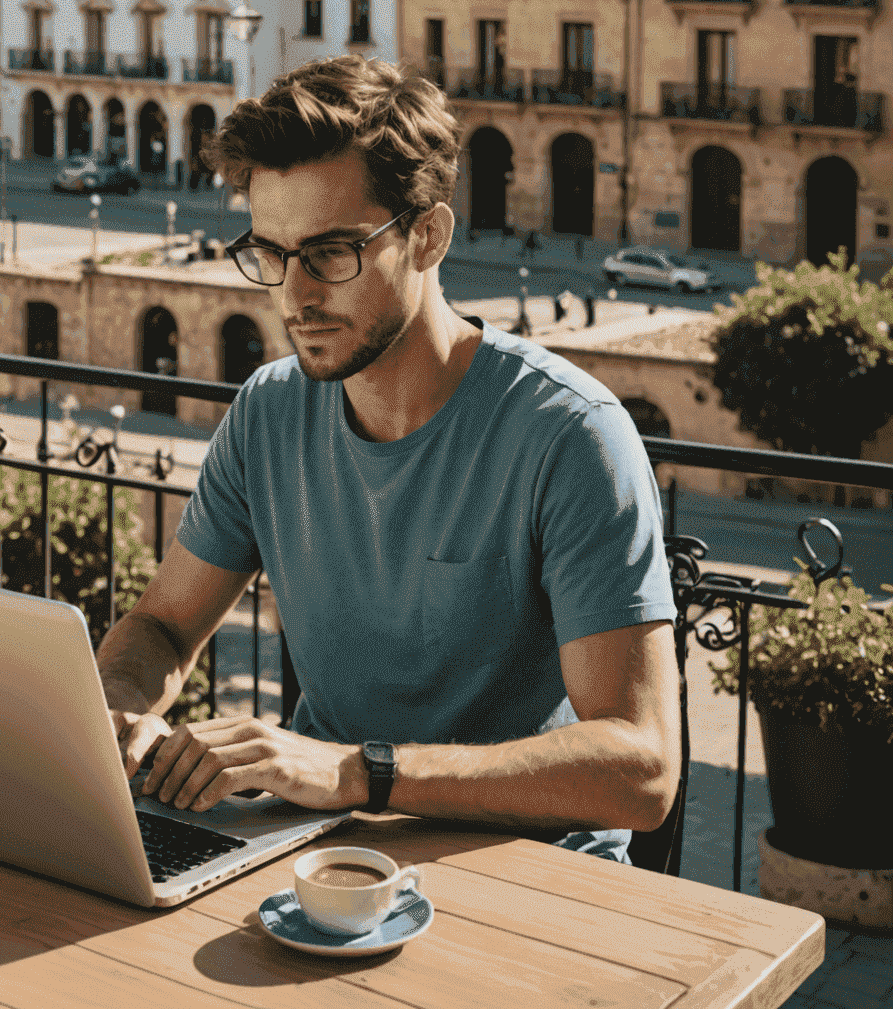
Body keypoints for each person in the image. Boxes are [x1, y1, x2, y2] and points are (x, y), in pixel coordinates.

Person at [96, 56, 679, 862]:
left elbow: (641, 771)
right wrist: (124, 711)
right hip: (314, 850)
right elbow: (162, 625)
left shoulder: (570, 435)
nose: (295, 296)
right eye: (271, 253)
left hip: (528, 871)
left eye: (331, 253)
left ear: (428, 235)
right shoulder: (268, 412)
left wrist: (356, 772)